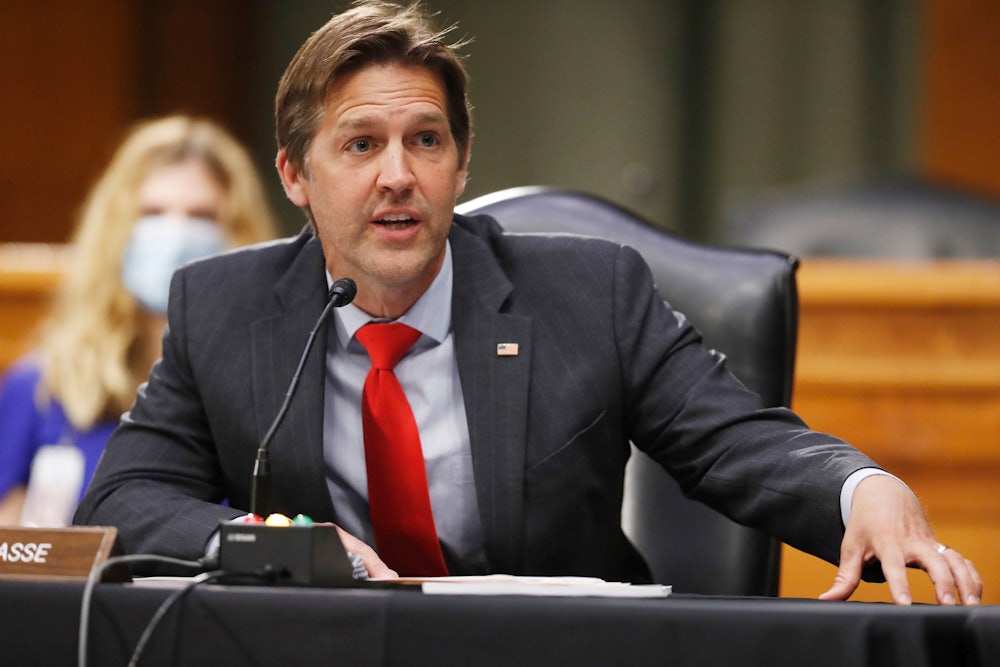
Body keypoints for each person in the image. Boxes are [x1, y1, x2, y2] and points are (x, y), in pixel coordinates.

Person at [75, 1, 981, 606]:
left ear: (461, 164)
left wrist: (861, 486)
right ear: (295, 176)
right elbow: (126, 499)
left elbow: (735, 439)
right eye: (360, 145)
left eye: (425, 140)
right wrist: (286, 546)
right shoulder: (227, 307)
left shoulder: (590, 293)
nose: (398, 175)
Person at [0, 115, 277, 526]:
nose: (175, 231)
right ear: (116, 231)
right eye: (152, 211)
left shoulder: (272, 387)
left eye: (201, 215)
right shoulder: (41, 387)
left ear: (239, 234)